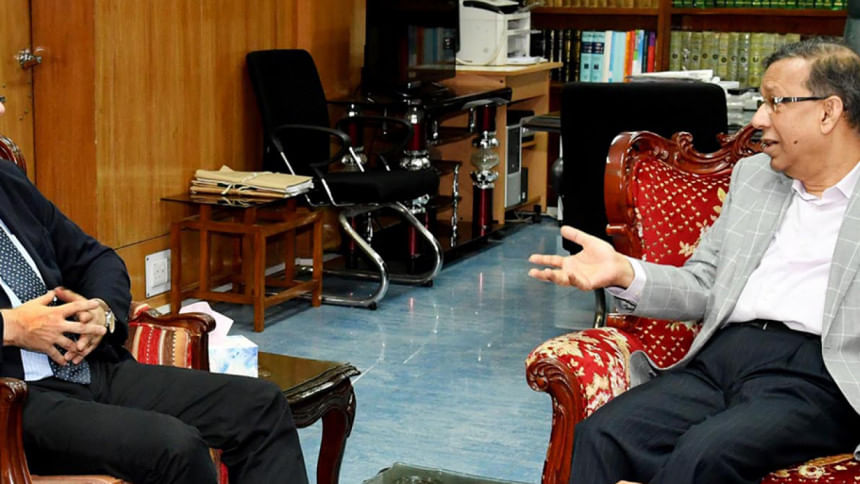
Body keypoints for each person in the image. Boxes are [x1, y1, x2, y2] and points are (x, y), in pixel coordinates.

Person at [529, 38, 860, 484]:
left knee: (705, 455)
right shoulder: (754, 178)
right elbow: (705, 283)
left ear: (829, 112)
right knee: (602, 434)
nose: (759, 120)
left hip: (817, 374)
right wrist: (625, 271)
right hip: (723, 357)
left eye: (775, 102)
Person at [0, 98, 308, 483]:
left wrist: (103, 311)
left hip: (88, 369)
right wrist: (13, 327)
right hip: (17, 402)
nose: (1, 113)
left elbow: (96, 258)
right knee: (175, 447)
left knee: (260, 406)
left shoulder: (7, 181)